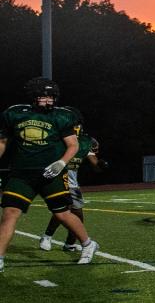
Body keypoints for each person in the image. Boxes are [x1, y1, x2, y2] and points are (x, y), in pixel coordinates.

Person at [0, 78, 99, 272]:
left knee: (62, 213)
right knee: (9, 213)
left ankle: (88, 244)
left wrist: (61, 162)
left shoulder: (62, 116)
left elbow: (73, 145)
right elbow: (2, 142)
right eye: (44, 96)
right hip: (21, 173)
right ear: (33, 97)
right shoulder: (14, 113)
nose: (49, 100)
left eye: (51, 96)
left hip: (50, 173)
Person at [39, 110, 108, 252]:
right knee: (63, 211)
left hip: (73, 183)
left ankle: (69, 243)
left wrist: (101, 164)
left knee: (75, 216)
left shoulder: (84, 142)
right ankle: (47, 236)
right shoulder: (60, 139)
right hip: (58, 179)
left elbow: (95, 164)